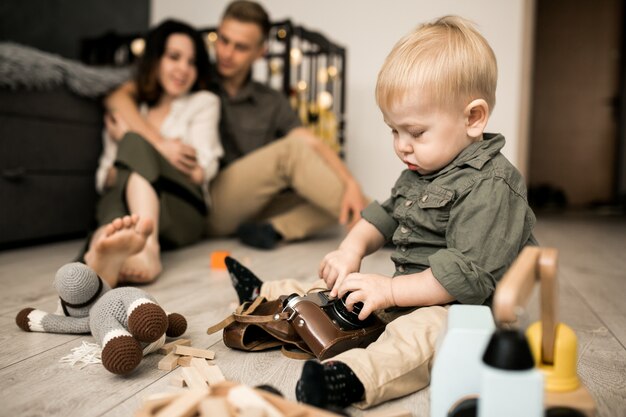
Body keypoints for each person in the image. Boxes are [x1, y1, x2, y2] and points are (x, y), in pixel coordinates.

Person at [229, 15, 538, 410]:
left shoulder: (494, 185)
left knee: (416, 340)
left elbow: (466, 277)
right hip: (410, 289)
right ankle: (268, 296)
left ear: (473, 118)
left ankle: (352, 379)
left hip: (463, 312)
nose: (402, 146)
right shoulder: (422, 168)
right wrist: (350, 250)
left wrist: (389, 290)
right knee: (340, 292)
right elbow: (385, 215)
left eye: (416, 132)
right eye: (394, 131)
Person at [106, 0, 368, 250]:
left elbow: (309, 141)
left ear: (261, 52)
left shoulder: (271, 100)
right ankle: (380, 225)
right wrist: (157, 142)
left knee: (328, 191)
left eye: (240, 47)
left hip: (252, 201)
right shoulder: (193, 74)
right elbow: (118, 96)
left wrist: (351, 182)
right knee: (291, 153)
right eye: (223, 40)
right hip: (207, 196)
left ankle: (274, 229)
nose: (227, 53)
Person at [84, 19, 223, 287]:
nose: (183, 69)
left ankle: (145, 248)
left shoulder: (204, 103)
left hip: (181, 210)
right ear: (156, 60)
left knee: (133, 146)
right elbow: (105, 177)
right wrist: (157, 152)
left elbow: (200, 171)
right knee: (124, 178)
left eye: (192, 62)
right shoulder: (134, 110)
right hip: (127, 199)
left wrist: (132, 143)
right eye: (174, 57)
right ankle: (105, 251)